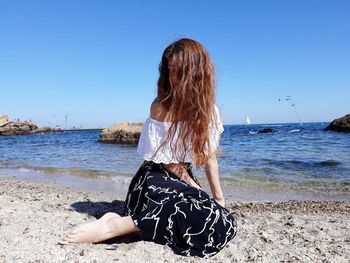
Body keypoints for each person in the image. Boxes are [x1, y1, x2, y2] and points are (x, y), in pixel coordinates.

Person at [63, 38, 237, 257]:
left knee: (220, 221)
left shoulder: (208, 110)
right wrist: (197, 189)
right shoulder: (160, 107)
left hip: (182, 177)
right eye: (170, 70)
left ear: (197, 72)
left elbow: (209, 157)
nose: (173, 78)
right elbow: (169, 163)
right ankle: (113, 227)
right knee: (198, 214)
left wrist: (218, 199)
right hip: (153, 177)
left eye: (180, 71)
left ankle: (116, 220)